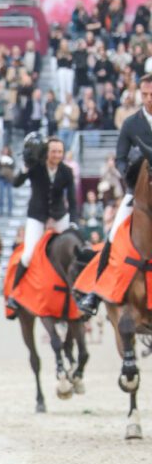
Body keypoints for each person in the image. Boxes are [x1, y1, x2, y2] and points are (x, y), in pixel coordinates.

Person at [78, 74, 152, 317]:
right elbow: (120, 157)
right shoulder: (131, 123)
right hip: (137, 194)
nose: (149, 99)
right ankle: (94, 292)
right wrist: (127, 173)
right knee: (112, 237)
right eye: (145, 94)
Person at [7, 135, 77, 314]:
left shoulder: (66, 171)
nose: (57, 155)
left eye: (60, 152)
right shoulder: (36, 168)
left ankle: (82, 293)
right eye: (53, 151)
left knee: (77, 249)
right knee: (28, 255)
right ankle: (14, 294)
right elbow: (16, 183)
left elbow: (72, 200)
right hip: (37, 216)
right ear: (47, 152)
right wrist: (25, 167)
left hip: (59, 216)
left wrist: (74, 222)